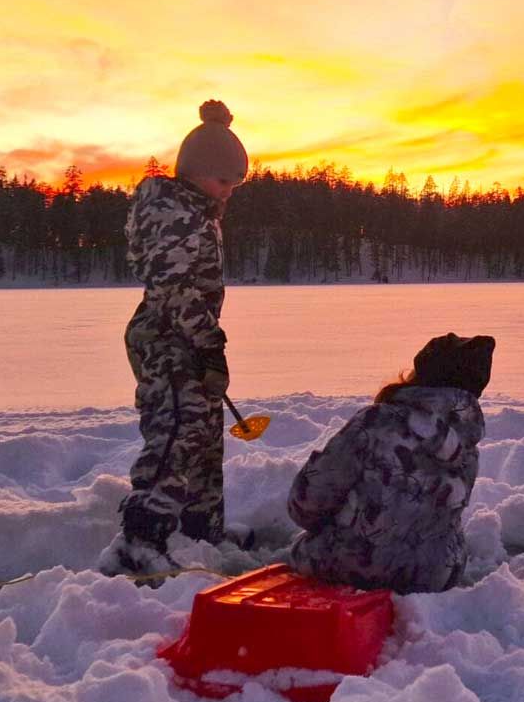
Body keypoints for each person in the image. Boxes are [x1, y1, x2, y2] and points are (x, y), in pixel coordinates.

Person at [98, 100, 249, 583]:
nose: (228, 192)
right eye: (223, 181)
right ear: (197, 173)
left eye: (235, 185)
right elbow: (173, 291)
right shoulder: (176, 215)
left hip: (188, 339)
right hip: (169, 341)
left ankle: (202, 531)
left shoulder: (196, 210)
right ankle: (140, 541)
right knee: (176, 433)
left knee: (204, 434)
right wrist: (208, 346)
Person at [285, 333, 495, 593]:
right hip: (434, 574)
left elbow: (307, 503)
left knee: (300, 550)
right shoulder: (467, 443)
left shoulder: (377, 422)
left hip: (354, 565)